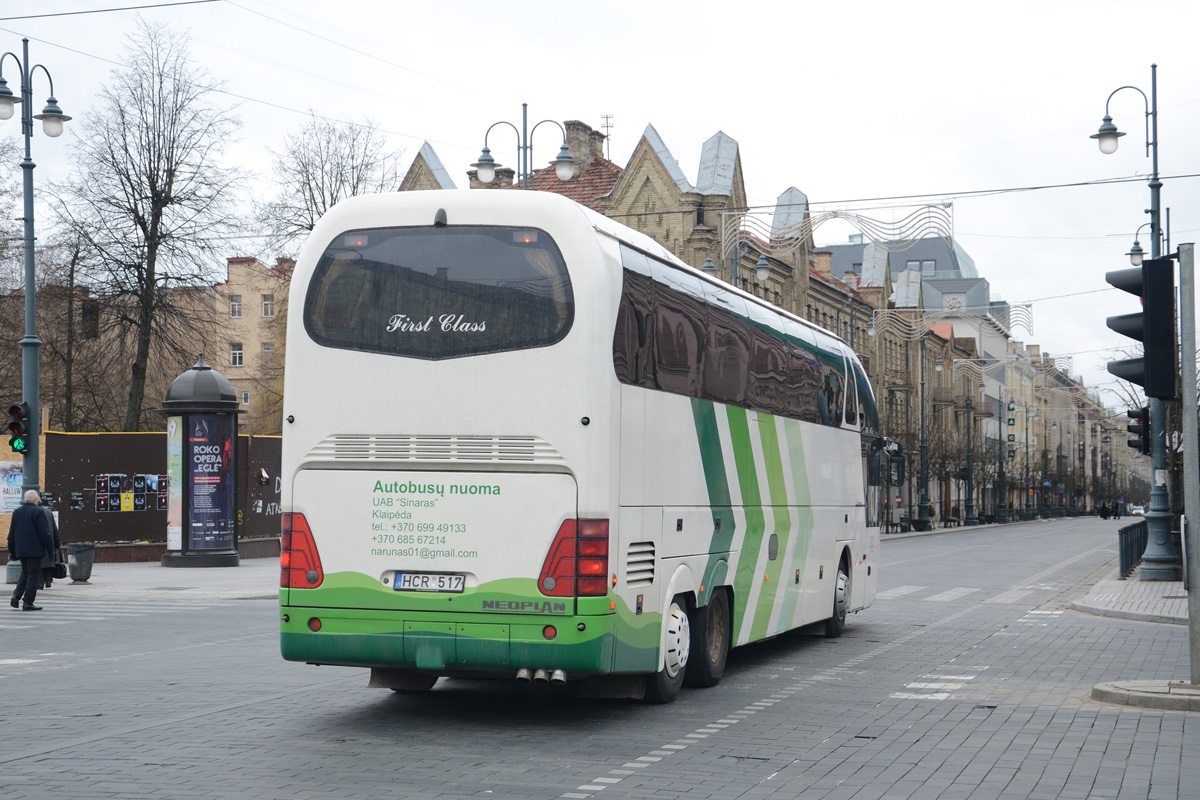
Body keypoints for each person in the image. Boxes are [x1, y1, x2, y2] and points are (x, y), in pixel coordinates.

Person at [7, 489, 53, 611]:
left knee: (25, 572)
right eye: (37, 499)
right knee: (33, 575)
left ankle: (16, 595)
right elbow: (45, 533)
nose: (38, 501)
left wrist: (12, 551)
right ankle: (28, 602)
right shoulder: (38, 512)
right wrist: (51, 550)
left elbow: (11, 534)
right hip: (35, 550)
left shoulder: (17, 513)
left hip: (21, 550)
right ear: (34, 499)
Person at [40, 503, 61, 589]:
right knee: (48, 561)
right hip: (50, 540)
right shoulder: (48, 512)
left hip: (39, 542)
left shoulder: (35, 512)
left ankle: (41, 582)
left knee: (40, 563)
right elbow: (54, 529)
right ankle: (48, 580)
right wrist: (57, 544)